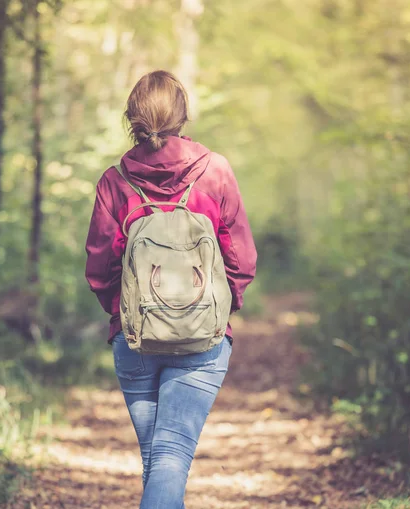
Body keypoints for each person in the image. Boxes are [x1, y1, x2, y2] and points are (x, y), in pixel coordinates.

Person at [85, 70, 257, 509]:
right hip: (203, 340)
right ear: (182, 115)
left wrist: (122, 313)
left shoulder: (115, 180)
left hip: (136, 338)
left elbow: (101, 267)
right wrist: (222, 306)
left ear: (133, 117)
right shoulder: (214, 170)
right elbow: (240, 257)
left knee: (159, 461)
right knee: (169, 459)